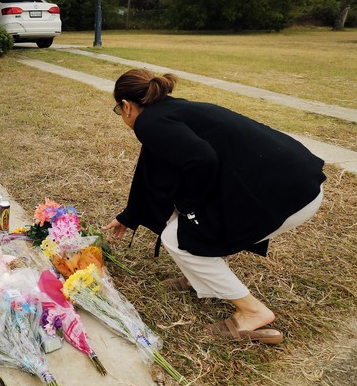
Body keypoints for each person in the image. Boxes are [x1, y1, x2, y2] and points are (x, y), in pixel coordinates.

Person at [102, 69, 325, 344]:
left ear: (126, 106)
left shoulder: (149, 123)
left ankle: (252, 312)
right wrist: (131, 215)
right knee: (179, 224)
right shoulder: (169, 110)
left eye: (117, 109)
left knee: (177, 238)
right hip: (296, 180)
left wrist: (192, 207)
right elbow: (154, 171)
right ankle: (199, 279)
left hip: (286, 195)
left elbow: (202, 160)